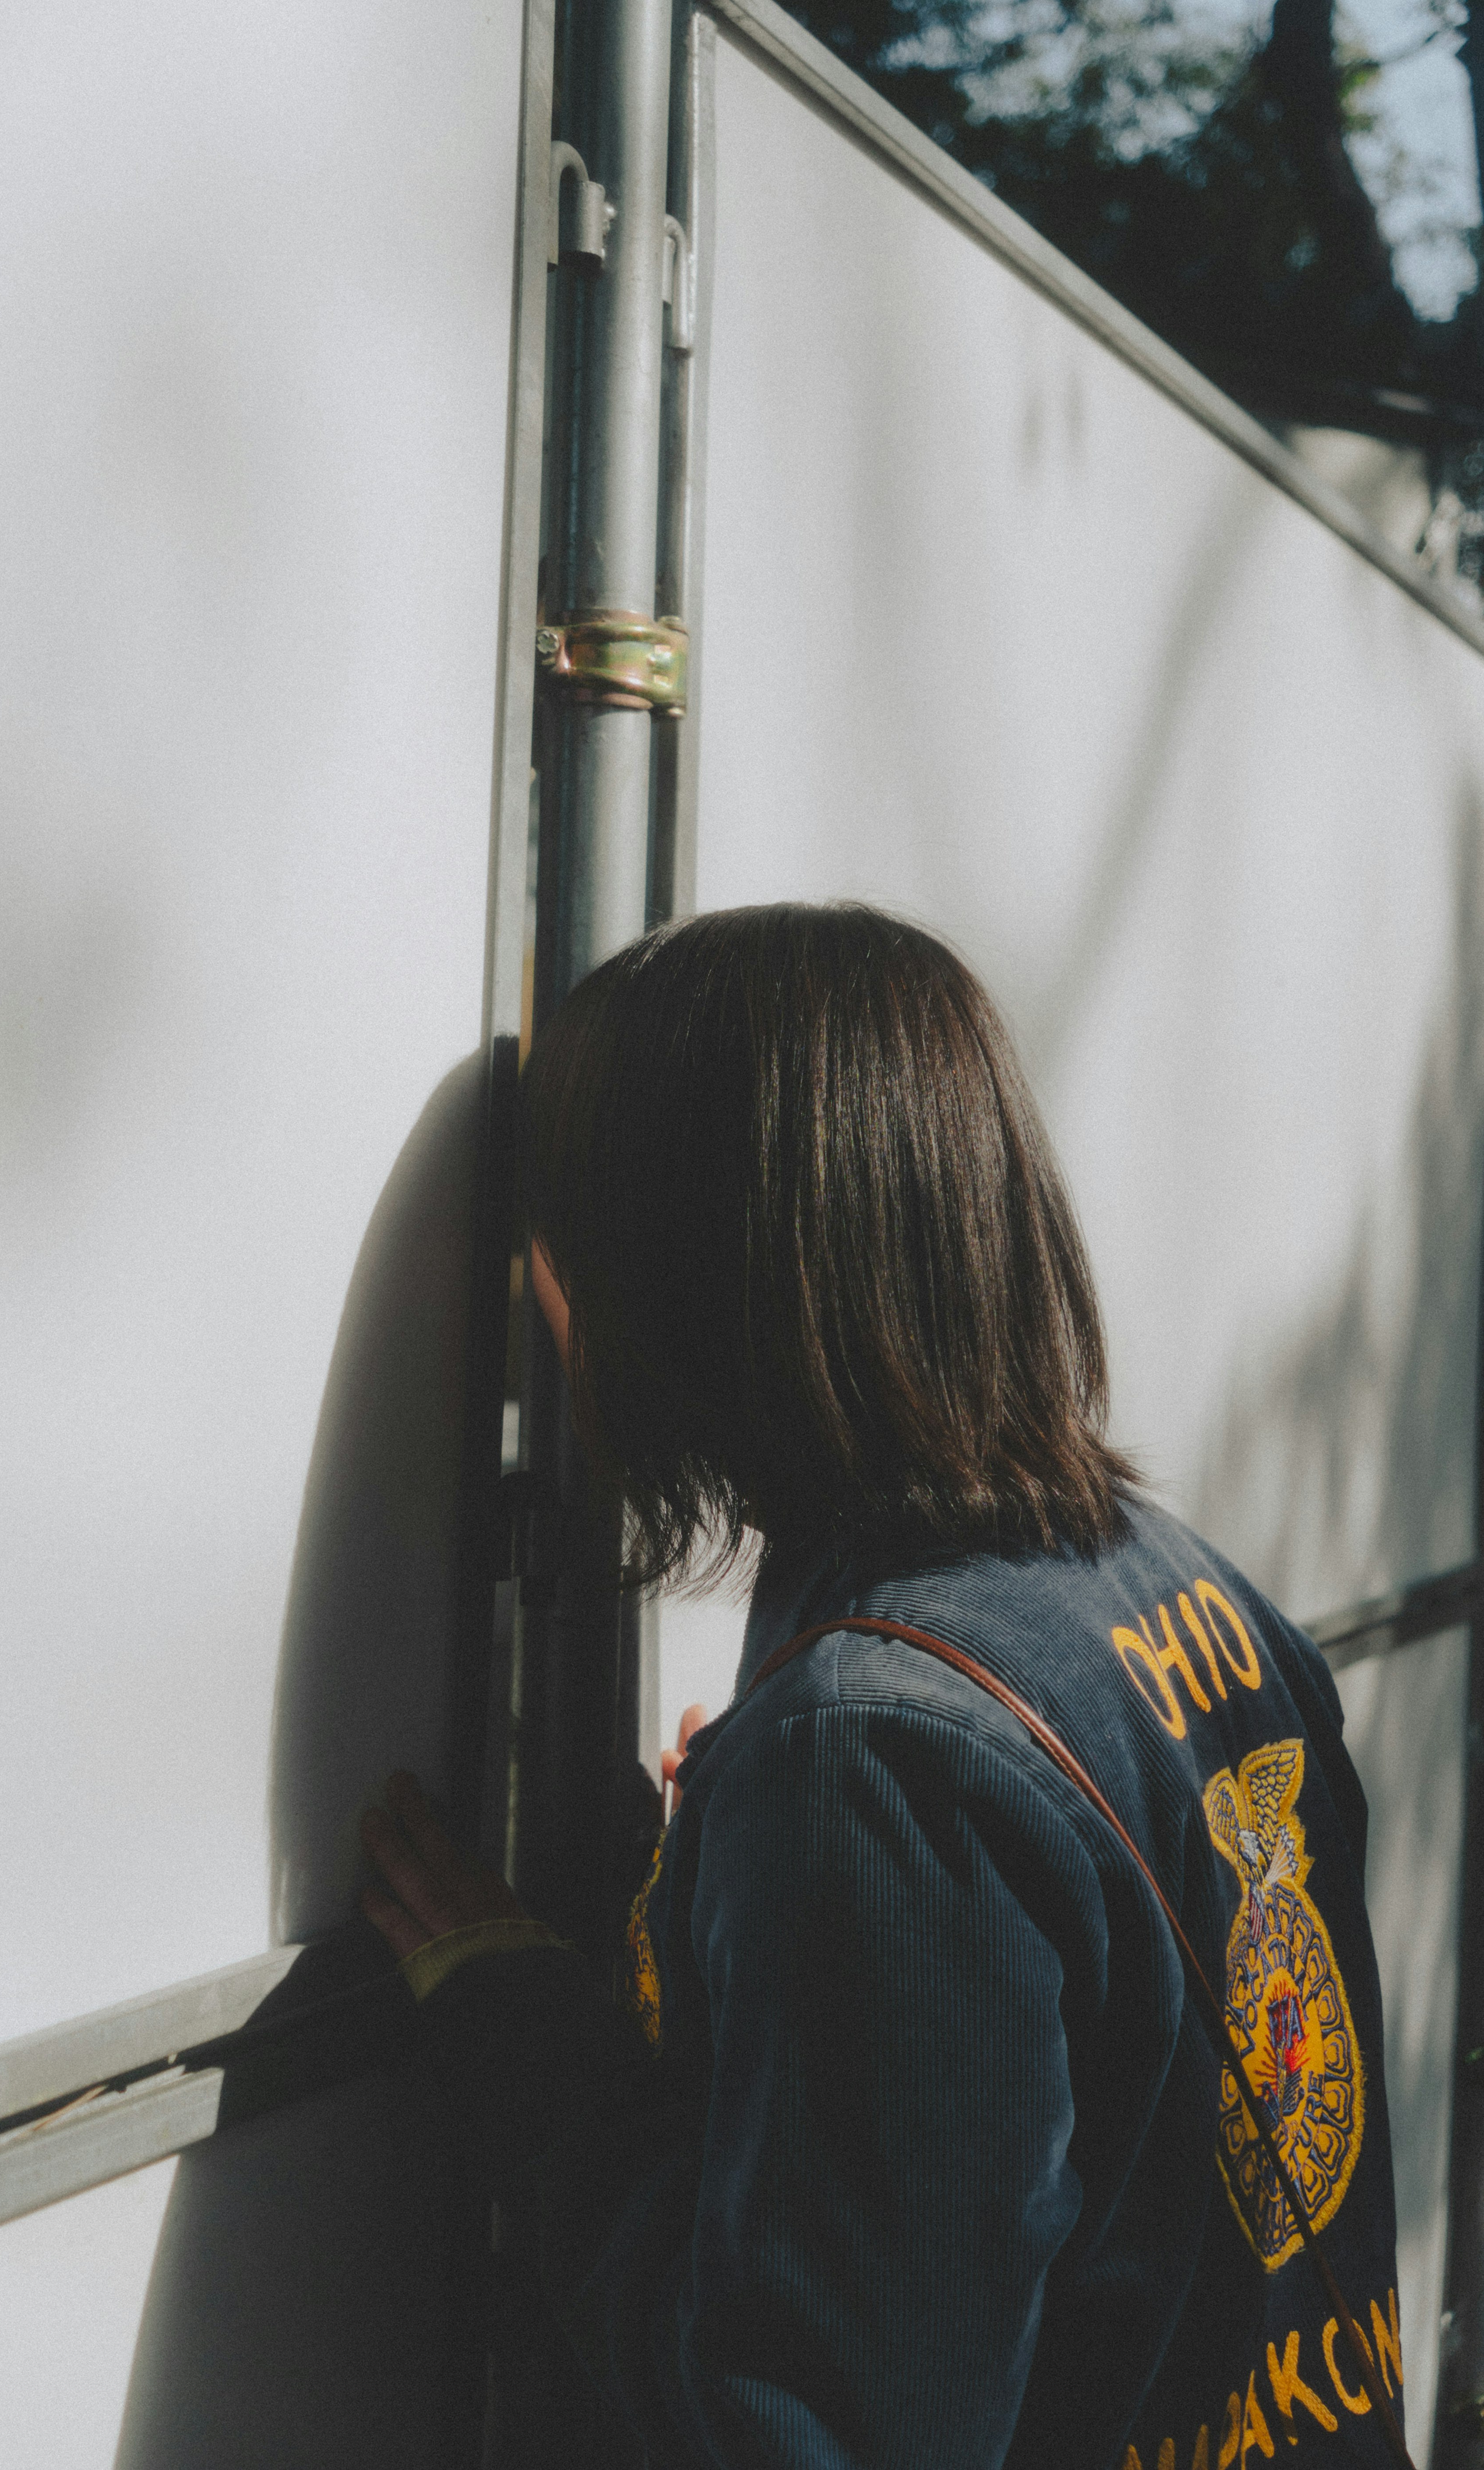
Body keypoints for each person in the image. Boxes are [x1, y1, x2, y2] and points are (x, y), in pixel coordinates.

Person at [359, 903, 1404, 2470]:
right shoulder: (1164, 1578)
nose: (541, 1285)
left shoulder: (880, 1752)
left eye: (565, 1224)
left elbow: (826, 2438)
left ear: (687, 1267)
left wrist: (549, 2058)